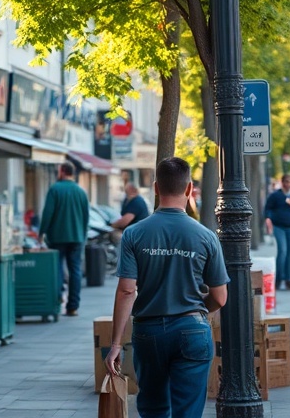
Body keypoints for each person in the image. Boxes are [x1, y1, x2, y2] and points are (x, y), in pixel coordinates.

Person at [104, 156, 228, 418]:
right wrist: (194, 310)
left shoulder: (134, 234)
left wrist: (115, 344)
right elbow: (220, 297)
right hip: (191, 330)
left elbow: (127, 290)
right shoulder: (206, 236)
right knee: (188, 412)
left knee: (153, 409)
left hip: (149, 332)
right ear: (188, 188)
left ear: (156, 187)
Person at [39, 160, 90, 317]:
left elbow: (48, 213)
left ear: (62, 171)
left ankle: (58, 298)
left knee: (57, 268)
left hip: (57, 236)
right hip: (77, 237)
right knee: (75, 270)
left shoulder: (55, 189)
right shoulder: (81, 192)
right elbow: (86, 217)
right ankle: (73, 306)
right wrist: (83, 235)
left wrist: (41, 233)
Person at [263, 173, 290, 290]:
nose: (288, 184)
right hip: (279, 226)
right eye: (286, 182)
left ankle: (288, 279)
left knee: (288, 253)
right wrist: (268, 219)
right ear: (282, 183)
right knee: (282, 251)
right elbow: (268, 208)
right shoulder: (276, 195)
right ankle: (278, 279)